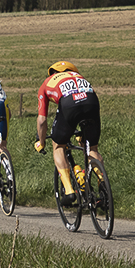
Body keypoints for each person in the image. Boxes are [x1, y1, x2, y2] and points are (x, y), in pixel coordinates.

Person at [34, 61, 101, 207]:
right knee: (91, 148)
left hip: (69, 104)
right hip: (92, 102)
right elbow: (85, 104)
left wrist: (42, 141)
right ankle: (102, 183)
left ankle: (69, 191)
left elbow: (42, 120)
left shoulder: (47, 83)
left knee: (58, 146)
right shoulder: (80, 77)